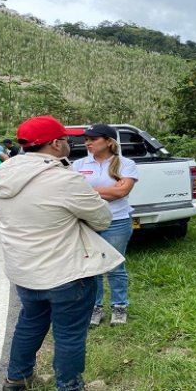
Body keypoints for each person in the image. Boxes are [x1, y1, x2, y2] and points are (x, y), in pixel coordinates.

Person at [0, 115, 124, 391]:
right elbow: (102, 219)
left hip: (24, 271)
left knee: (30, 323)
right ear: (57, 144)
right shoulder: (63, 179)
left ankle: (16, 379)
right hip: (66, 271)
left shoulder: (3, 175)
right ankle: (69, 385)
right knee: (70, 334)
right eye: (67, 140)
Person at [72, 123, 138, 326]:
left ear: (109, 141)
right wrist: (108, 190)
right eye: (86, 139)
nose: (87, 143)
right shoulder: (79, 165)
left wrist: (89, 192)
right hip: (87, 222)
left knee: (115, 266)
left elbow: (121, 193)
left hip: (116, 221)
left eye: (93, 139)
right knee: (92, 267)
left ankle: (119, 307)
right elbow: (72, 192)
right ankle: (95, 307)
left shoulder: (126, 164)